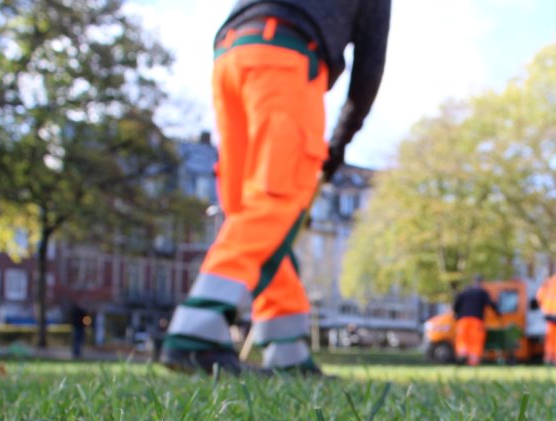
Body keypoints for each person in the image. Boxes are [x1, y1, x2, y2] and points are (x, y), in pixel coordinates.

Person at [161, 0, 392, 376]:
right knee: (276, 199)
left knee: (247, 210)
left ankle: (287, 351)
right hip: (287, 59)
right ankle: (197, 332)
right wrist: (337, 147)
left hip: (231, 54)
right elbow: (369, 69)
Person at [452, 275, 498, 366]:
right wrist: (498, 311)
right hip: (476, 320)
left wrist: (456, 314)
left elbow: (456, 304)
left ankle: (462, 354)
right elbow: (491, 304)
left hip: (463, 320)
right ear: (481, 282)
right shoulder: (482, 293)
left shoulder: (464, 292)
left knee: (462, 339)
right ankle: (473, 361)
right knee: (475, 340)